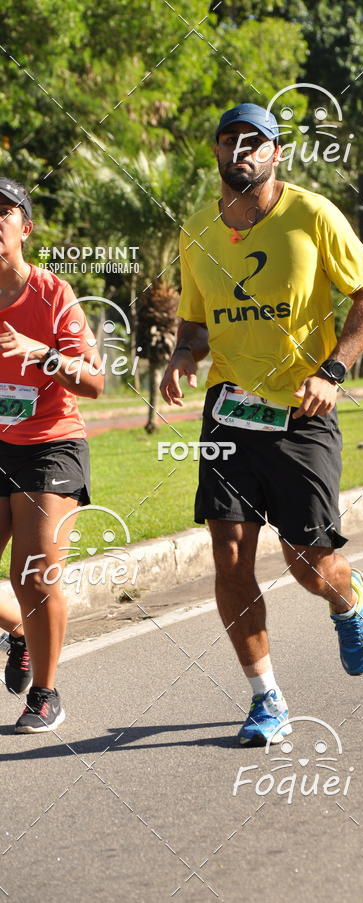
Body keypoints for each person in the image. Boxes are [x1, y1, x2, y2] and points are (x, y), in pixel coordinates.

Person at [160, 103, 363, 746]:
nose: (240, 150)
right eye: (229, 139)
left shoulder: (312, 214)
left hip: (302, 412)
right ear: (216, 153)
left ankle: (348, 597)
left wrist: (333, 371)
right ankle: (267, 698)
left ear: (276, 152)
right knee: (230, 556)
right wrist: (182, 355)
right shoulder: (199, 230)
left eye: (253, 140)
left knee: (309, 564)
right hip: (229, 410)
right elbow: (196, 321)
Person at [0, 178, 103, 732]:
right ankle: (21, 632)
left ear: (26, 228)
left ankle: (46, 693)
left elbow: (94, 383)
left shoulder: (52, 293)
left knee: (34, 573)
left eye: (4, 212)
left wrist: (41, 353)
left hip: (51, 442)